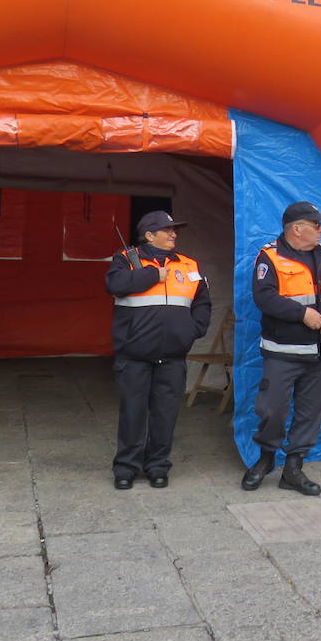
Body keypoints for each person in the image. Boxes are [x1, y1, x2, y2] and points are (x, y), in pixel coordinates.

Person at [241, 201, 321, 496]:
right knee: (271, 410)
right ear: (297, 229)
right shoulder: (270, 257)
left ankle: (293, 468)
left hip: (317, 354)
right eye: (316, 225)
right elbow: (264, 297)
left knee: (310, 412)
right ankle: (265, 461)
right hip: (282, 353)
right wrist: (302, 314)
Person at [105, 210, 211, 490]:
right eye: (167, 229)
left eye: (175, 229)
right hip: (134, 355)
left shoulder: (189, 265)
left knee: (166, 415)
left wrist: (193, 329)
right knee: (133, 414)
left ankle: (157, 467)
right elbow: (114, 285)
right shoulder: (126, 260)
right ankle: (126, 468)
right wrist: (153, 274)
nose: (174, 233)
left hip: (173, 356)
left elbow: (202, 302)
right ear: (149, 235)